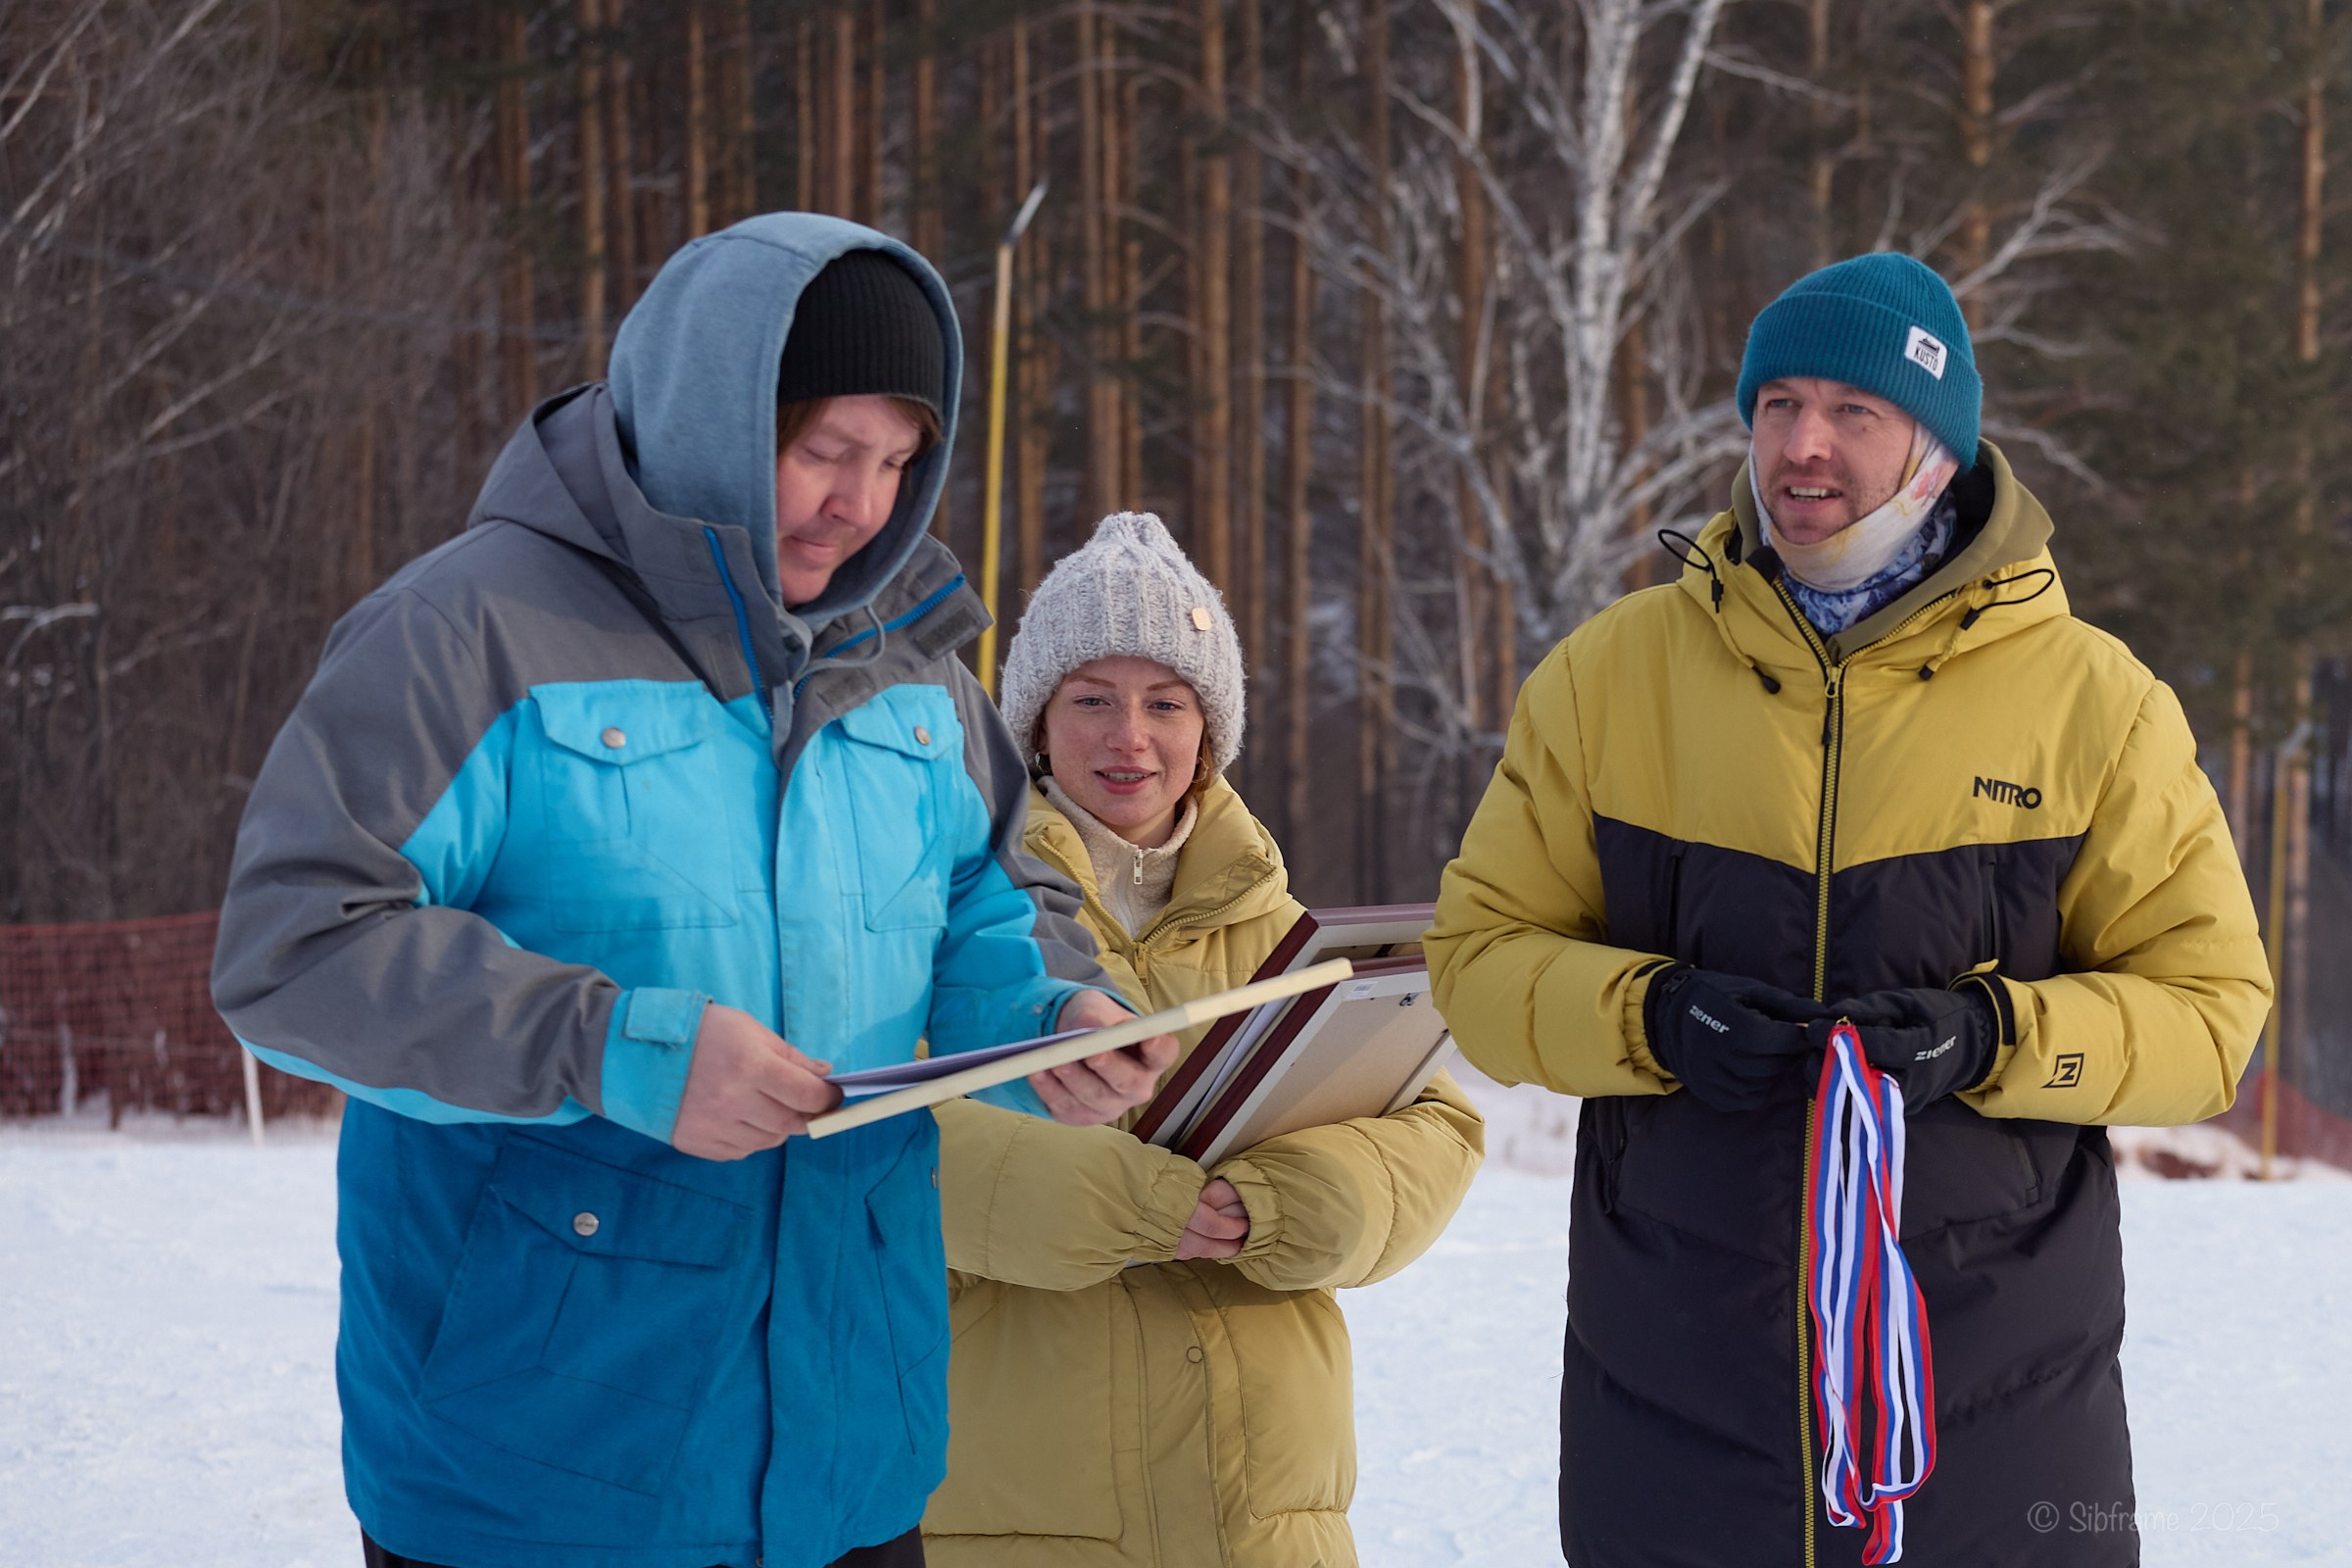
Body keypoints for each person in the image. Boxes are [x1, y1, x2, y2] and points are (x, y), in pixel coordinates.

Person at [211, 216, 1175, 1568]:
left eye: (898, 461)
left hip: (853, 1454)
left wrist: (1052, 1015)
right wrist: (616, 1049)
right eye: (825, 450)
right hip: (539, 1473)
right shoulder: (466, 634)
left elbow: (988, 901)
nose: (862, 505)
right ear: (711, 417)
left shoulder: (913, 661)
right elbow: (295, 950)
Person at [1428, 253, 2272, 1566]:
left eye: (1852, 412)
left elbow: (2211, 1017)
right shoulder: (1609, 680)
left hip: (1998, 1426)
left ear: (1936, 452)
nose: (1801, 446)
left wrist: (1993, 1037)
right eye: (1777, 405)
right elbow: (1478, 961)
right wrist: (1653, 1015)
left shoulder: (2096, 707)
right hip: (1673, 1415)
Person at [919, 513, 1486, 1568]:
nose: (1129, 738)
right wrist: (1129, 1206)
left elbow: (1435, 1131)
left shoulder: (1287, 932)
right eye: (1092, 699)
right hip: (1024, 1510)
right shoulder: (956, 915)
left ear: (1209, 732)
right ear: (1035, 723)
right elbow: (896, 1145)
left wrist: (1298, 1202)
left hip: (1265, 1517)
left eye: (1166, 703)